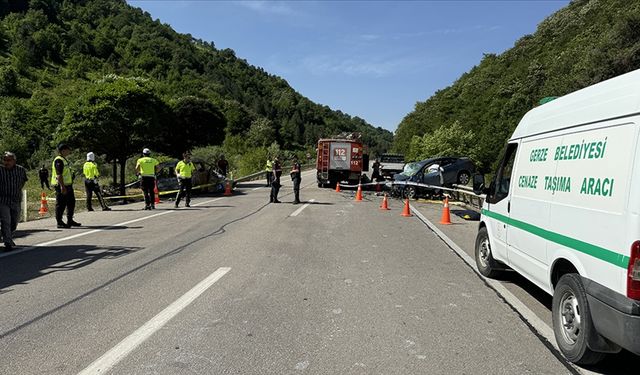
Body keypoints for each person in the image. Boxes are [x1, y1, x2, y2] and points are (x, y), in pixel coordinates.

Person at [0, 152, 28, 252]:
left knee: (14, 221)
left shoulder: (20, 170)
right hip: (3, 200)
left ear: (14, 161)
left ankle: (8, 235)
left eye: (9, 160)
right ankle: (7, 241)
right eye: (4, 160)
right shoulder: (0, 170)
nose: (6, 162)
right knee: (5, 220)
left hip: (16, 199)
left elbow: (23, 181)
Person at [52, 144, 81, 228]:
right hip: (61, 185)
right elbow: (59, 174)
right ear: (63, 150)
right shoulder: (58, 160)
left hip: (68, 185)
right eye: (68, 150)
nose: (69, 151)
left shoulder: (64, 160)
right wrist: (62, 187)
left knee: (71, 203)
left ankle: (70, 220)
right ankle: (59, 222)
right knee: (61, 204)